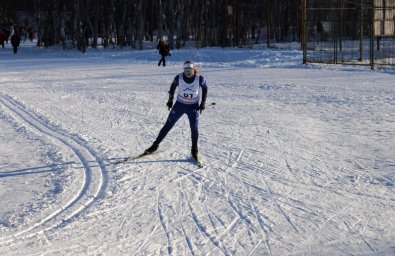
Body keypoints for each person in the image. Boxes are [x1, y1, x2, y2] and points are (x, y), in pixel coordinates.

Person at [144, 60, 208, 161]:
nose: (187, 72)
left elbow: (205, 89)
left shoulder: (200, 79)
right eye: (185, 69)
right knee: (168, 125)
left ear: (193, 70)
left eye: (189, 69)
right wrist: (170, 100)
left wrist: (203, 102)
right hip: (180, 105)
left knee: (194, 128)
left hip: (193, 107)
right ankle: (155, 145)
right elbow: (172, 88)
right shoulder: (179, 77)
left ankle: (194, 149)